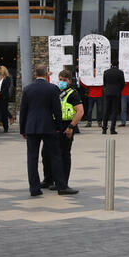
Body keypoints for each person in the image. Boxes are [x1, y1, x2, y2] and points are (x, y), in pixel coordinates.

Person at [19, 64, 78, 196]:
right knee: (55, 156)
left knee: (32, 157)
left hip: (31, 127)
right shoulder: (52, 88)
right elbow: (57, 110)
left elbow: (23, 111)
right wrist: (59, 127)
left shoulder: (27, 89)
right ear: (46, 75)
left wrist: (23, 129)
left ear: (35, 74)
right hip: (48, 126)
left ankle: (34, 188)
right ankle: (61, 186)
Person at [42, 70, 84, 189]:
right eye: (60, 79)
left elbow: (80, 111)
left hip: (66, 126)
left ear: (70, 81)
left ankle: (62, 182)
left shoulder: (73, 94)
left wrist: (71, 127)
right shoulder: (57, 92)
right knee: (46, 153)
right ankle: (49, 179)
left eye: (64, 80)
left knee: (64, 154)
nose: (61, 82)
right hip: (54, 125)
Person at [102, 63, 125, 135]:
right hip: (116, 92)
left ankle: (104, 129)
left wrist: (106, 89)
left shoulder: (106, 72)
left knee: (106, 110)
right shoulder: (120, 72)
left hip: (107, 92)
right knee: (114, 111)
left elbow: (104, 82)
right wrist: (119, 89)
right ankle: (112, 129)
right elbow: (123, 83)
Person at [0, 65, 12, 132]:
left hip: (3, 97)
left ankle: (5, 128)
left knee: (4, 112)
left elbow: (5, 88)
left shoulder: (7, 79)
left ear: (2, 71)